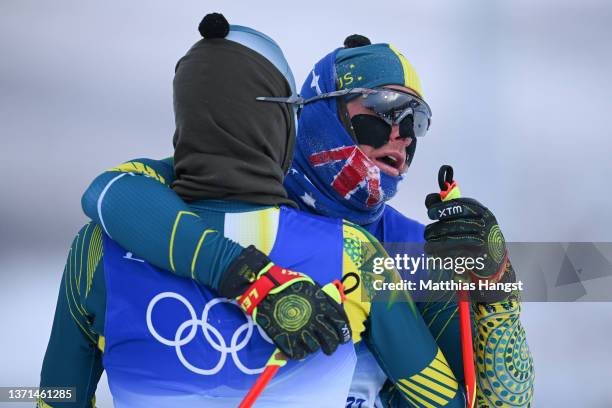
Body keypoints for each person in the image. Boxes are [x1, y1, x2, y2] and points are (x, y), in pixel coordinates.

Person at [75, 27, 534, 408]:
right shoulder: (228, 192)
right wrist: (246, 276)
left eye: (416, 121)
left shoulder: (412, 255)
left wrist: (498, 288)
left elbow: (501, 403)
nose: (401, 137)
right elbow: (110, 193)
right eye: (382, 113)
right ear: (318, 116)